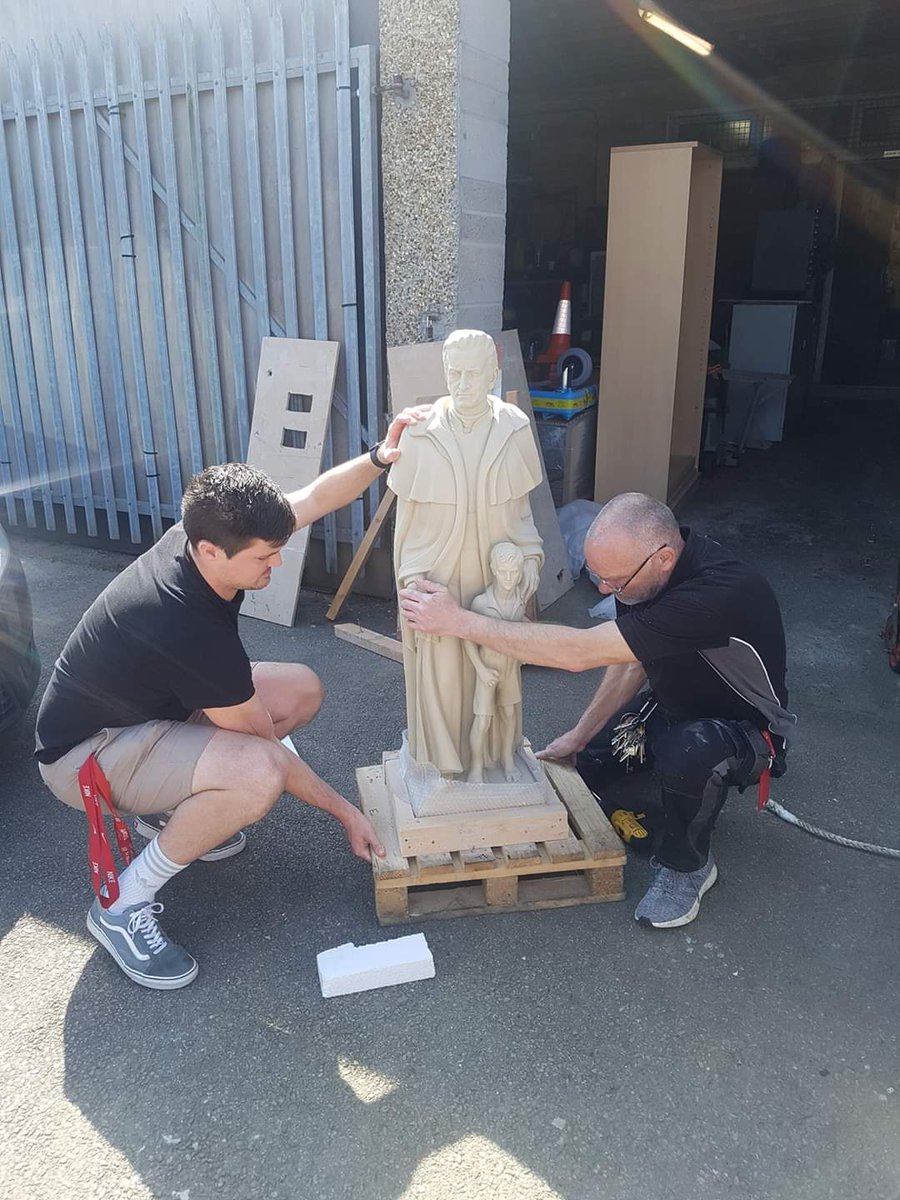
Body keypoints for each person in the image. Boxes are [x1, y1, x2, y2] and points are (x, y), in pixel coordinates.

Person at [35, 406, 428, 989]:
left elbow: (315, 497)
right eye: (264, 558)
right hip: (84, 760)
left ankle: (173, 808)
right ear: (213, 552)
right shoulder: (184, 623)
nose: (277, 564)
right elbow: (267, 748)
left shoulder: (207, 534)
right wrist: (347, 812)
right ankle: (120, 906)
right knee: (257, 774)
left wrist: (379, 457)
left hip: (140, 715)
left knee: (299, 688)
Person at [399, 492, 796, 929]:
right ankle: (659, 769)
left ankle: (687, 867)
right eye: (599, 577)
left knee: (689, 753)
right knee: (585, 766)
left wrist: (460, 622)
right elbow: (631, 659)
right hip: (671, 705)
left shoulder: (715, 595)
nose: (606, 590)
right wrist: (581, 734)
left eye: (616, 582)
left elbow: (579, 653)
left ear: (663, 558)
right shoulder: (647, 573)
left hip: (739, 730)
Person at [388, 329, 544, 777]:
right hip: (438, 574)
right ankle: (442, 765)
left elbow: (522, 514)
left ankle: (495, 761)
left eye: (473, 375)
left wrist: (530, 556)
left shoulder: (514, 427)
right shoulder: (420, 433)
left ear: (493, 374)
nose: (462, 384)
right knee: (443, 678)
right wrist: (410, 583)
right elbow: (407, 526)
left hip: (497, 578)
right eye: (454, 374)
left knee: (497, 679)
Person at [463, 542, 531, 783]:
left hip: (510, 669)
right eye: (504, 572)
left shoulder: (519, 601)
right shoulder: (481, 603)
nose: (509, 578)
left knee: (510, 716)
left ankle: (508, 761)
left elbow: (523, 626)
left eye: (514, 572)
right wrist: (480, 670)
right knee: (482, 720)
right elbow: (468, 640)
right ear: (493, 569)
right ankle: (476, 767)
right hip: (488, 669)